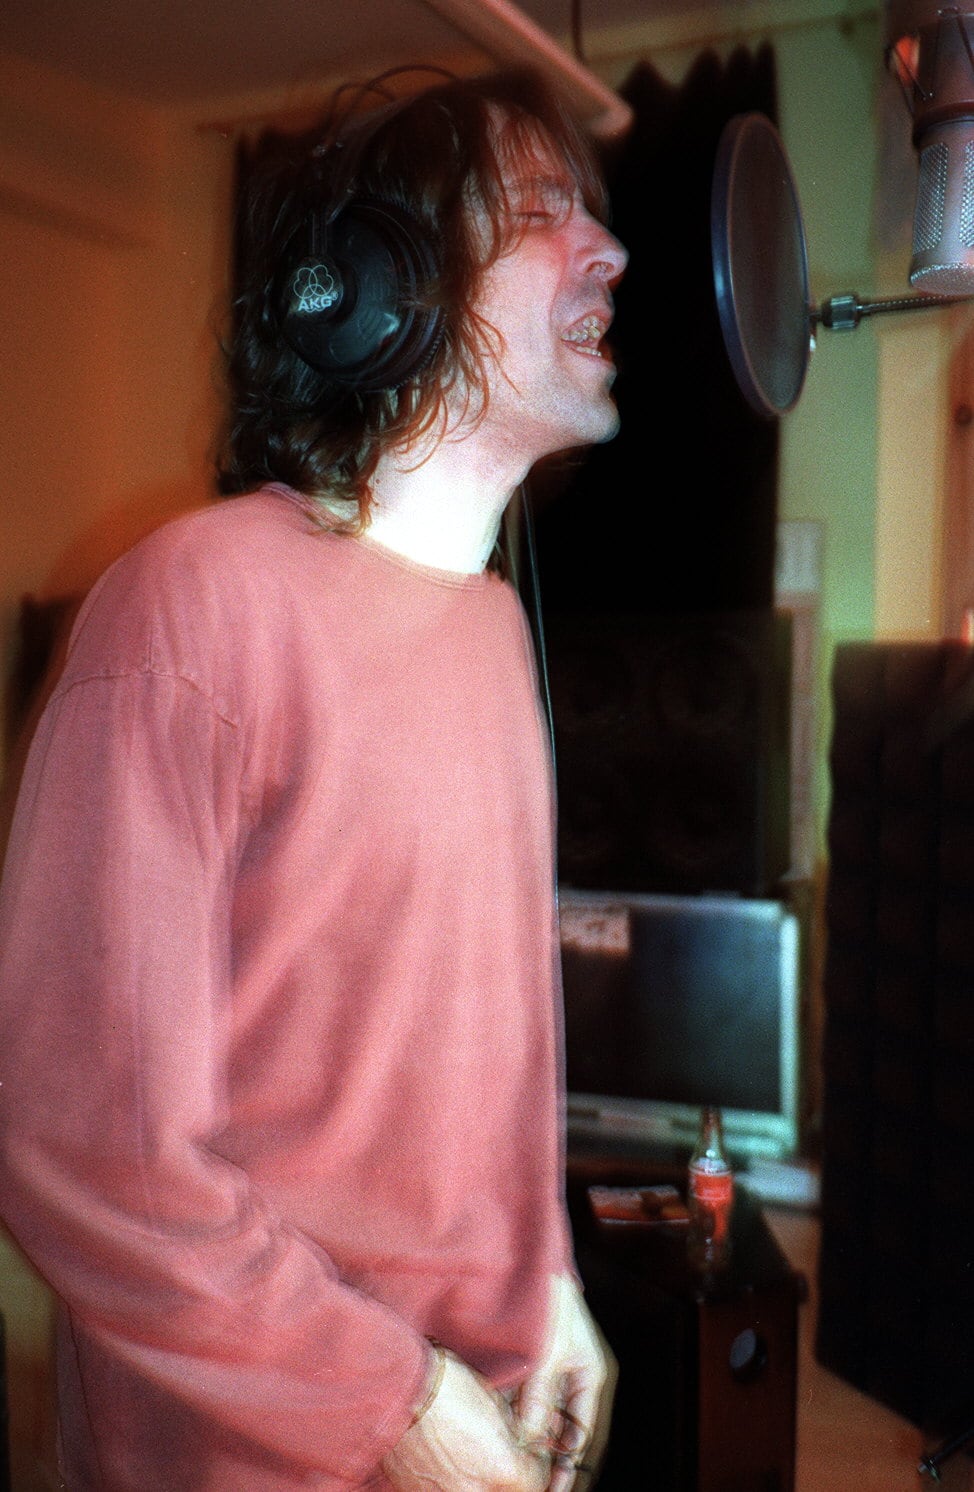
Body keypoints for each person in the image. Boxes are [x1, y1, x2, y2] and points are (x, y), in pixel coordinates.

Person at [0, 68, 627, 1491]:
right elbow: (85, 1147)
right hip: (257, 1449)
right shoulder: (190, 609)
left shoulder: (489, 627)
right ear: (379, 286)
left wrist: (549, 1287)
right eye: (543, 212)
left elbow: (487, 1036)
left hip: (472, 1407)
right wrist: (398, 1406)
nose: (610, 252)